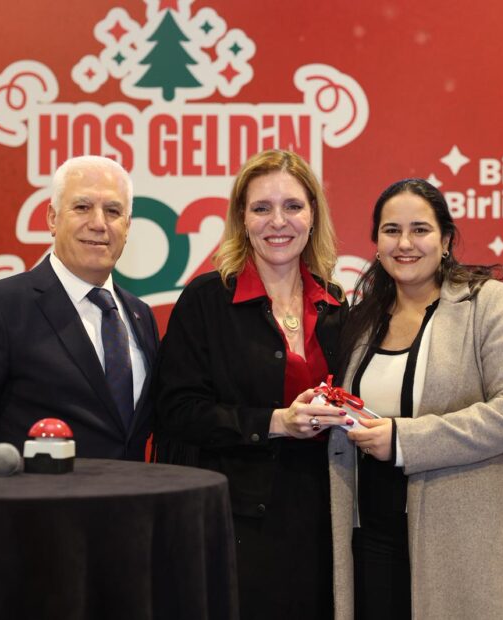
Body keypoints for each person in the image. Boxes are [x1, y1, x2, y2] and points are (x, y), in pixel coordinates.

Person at [330, 178, 503, 619]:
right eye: (391, 230)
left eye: (420, 229)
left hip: (471, 544)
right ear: (376, 243)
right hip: (374, 536)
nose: (404, 243)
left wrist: (405, 441)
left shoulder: (489, 303)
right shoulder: (361, 319)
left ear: (446, 240)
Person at [154, 149, 348, 619]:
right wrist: (276, 422)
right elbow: (176, 412)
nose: (278, 221)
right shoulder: (206, 300)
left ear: (313, 215)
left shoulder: (335, 303)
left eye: (293, 206)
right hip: (236, 523)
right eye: (262, 208)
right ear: (242, 218)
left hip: (324, 520)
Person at [0, 155, 158, 460]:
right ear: (52, 218)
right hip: (33, 493)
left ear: (127, 226)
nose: (99, 224)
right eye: (82, 207)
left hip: (133, 492)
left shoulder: (141, 315)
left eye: (113, 211)